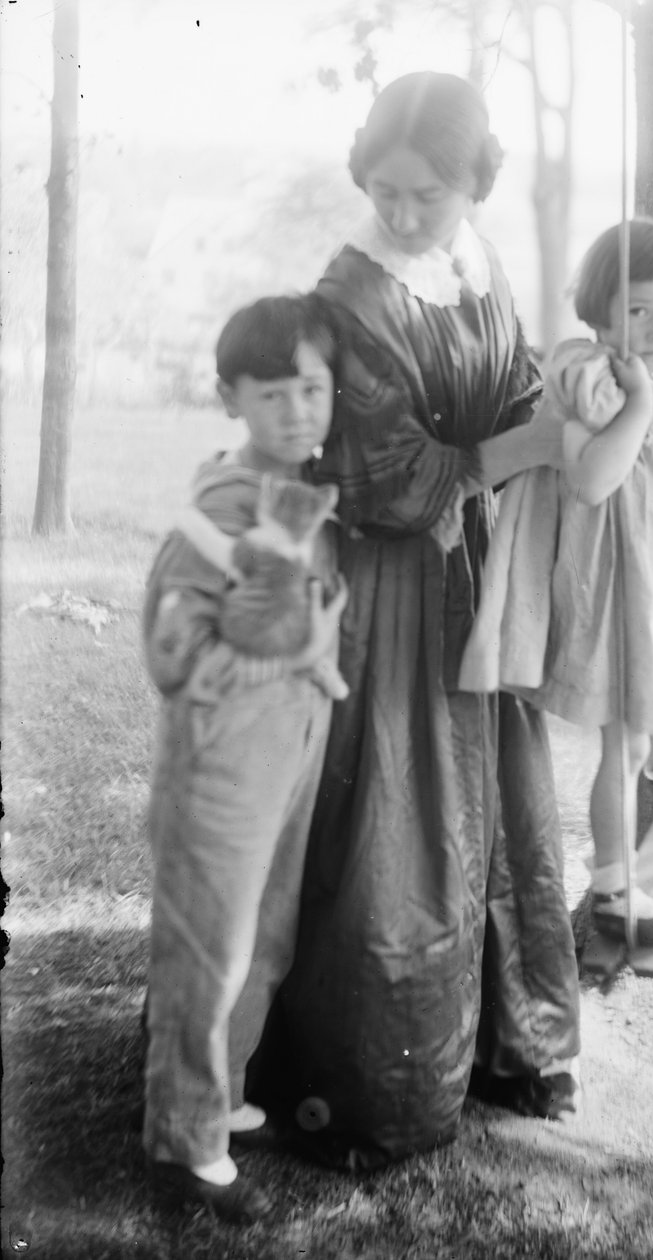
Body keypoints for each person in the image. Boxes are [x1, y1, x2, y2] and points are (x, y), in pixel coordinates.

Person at [248, 71, 581, 1169]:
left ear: (471, 185)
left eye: (425, 194)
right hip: (389, 590)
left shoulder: (475, 272)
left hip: (474, 573)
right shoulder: (348, 300)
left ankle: (503, 1042)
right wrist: (523, 450)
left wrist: (581, 397)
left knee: (498, 808)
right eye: (384, 190)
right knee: (396, 823)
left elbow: (518, 390)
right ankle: (370, 1078)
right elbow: (388, 478)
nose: (399, 214)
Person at [459, 218, 653, 948]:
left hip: (646, 570)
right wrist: (652, 397)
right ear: (598, 309)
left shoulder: (634, 371)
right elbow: (596, 472)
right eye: (639, 311)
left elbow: (642, 412)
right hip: (609, 577)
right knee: (622, 732)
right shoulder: (586, 367)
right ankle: (615, 885)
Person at [140, 294, 345, 1224]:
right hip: (222, 760)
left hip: (285, 749)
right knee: (210, 950)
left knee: (263, 935)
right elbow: (175, 656)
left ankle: (215, 1099)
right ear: (232, 399)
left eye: (315, 387)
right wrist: (296, 656)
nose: (301, 411)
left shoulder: (301, 493)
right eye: (275, 394)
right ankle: (182, 1144)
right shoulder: (222, 508)